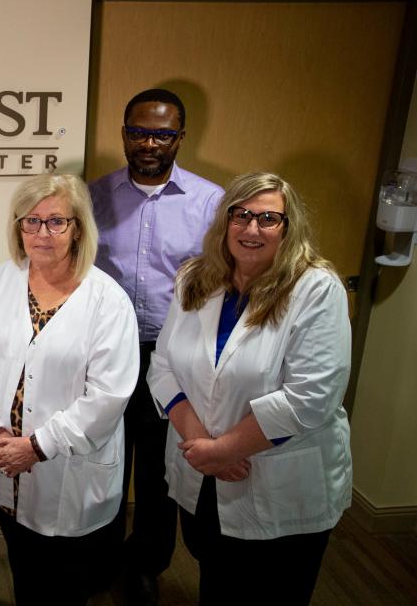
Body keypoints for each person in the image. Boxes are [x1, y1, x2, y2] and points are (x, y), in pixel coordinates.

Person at [147, 172, 352, 605]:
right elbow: (162, 366)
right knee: (216, 581)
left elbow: (311, 396)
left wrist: (225, 451)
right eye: (240, 215)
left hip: (277, 485)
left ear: (289, 226)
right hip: (202, 469)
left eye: (268, 219)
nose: (251, 228)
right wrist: (202, 442)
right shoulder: (195, 278)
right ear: (225, 222)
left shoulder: (315, 288)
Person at [0, 173, 139, 605]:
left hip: (69, 474)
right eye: (31, 221)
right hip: (8, 466)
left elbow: (108, 397)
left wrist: (38, 446)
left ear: (78, 228)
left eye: (56, 221)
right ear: (17, 226)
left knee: (68, 586)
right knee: (25, 574)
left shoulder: (107, 301)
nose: (42, 233)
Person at [89, 88, 224, 605]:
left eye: (162, 133)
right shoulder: (94, 197)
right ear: (123, 134)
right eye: (138, 131)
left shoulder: (212, 203)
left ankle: (146, 563)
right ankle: (99, 560)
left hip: (171, 355)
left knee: (157, 469)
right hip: (104, 353)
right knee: (101, 458)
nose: (149, 142)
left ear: (180, 137)